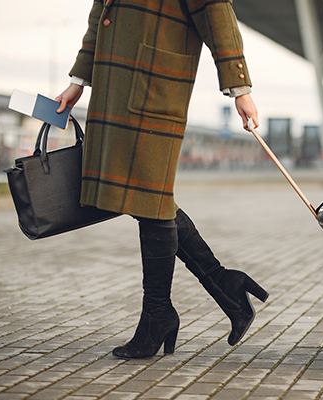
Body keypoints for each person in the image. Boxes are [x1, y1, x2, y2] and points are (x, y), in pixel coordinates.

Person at [56, 0, 268, 359]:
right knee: (149, 198)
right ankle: (222, 286)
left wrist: (240, 88)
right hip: (114, 86)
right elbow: (100, 14)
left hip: (154, 82)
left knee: (150, 198)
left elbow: (216, 12)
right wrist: (78, 80)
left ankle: (160, 313)